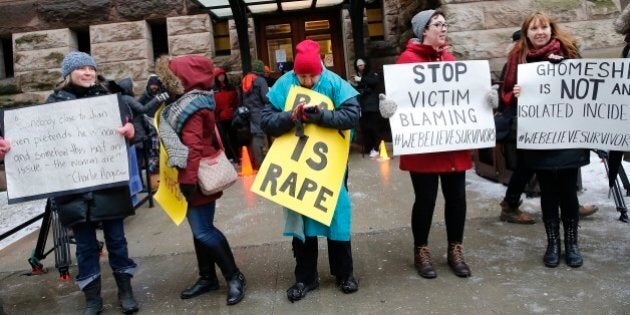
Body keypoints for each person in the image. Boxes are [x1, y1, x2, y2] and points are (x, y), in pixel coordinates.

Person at [379, 9, 496, 279]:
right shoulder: (406, 62)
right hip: (424, 146)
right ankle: (421, 250)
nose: (443, 29)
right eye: (437, 24)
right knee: (426, 200)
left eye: (445, 24)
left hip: (452, 144)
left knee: (457, 198)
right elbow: (399, 102)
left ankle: (456, 249)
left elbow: (466, 98)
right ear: (423, 30)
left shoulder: (451, 59)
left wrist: (487, 101)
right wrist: (389, 108)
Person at [35, 52, 137, 314]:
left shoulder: (107, 98)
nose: (88, 72)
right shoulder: (53, 103)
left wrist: (130, 131)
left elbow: (134, 129)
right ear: (68, 73)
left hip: (107, 184)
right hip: (73, 188)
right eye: (81, 68)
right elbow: (37, 140)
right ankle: (92, 297)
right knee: (84, 246)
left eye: (91, 68)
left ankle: (126, 290)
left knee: (117, 240)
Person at [261, 39, 361, 302]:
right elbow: (266, 120)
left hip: (331, 167)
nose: (306, 81)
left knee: (336, 217)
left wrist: (322, 117)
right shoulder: (284, 83)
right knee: (301, 225)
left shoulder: (334, 82)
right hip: (296, 167)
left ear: (320, 70)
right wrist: (290, 117)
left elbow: (352, 115)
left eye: (311, 75)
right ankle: (305, 278)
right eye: (301, 76)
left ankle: (344, 274)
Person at [155, 54, 246, 304]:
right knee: (199, 231)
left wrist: (187, 181)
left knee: (204, 231)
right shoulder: (184, 102)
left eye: (171, 77)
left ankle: (235, 277)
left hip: (196, 177)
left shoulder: (192, 106)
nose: (168, 81)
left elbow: (192, 147)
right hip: (191, 174)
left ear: (185, 78)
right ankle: (207, 277)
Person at [502, 11, 590, 268]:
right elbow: (505, 92)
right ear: (526, 33)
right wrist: (516, 92)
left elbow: (587, 86)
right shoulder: (517, 58)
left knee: (568, 192)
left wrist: (563, 67)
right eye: (533, 29)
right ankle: (553, 243)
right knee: (548, 192)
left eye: (544, 28)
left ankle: (572, 244)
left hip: (567, 134)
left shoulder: (568, 52)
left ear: (551, 30)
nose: (540, 32)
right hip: (538, 136)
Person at [497, 30, 597, 224]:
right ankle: (510, 205)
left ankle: (570, 203)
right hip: (527, 124)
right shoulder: (516, 63)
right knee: (526, 165)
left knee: (564, 161)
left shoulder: (554, 59)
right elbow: (507, 94)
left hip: (553, 121)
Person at [350, 58, 383, 158]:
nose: (360, 67)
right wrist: (353, 84)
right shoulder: (359, 75)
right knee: (365, 128)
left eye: (361, 65)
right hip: (362, 105)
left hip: (372, 105)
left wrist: (361, 80)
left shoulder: (371, 73)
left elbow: (375, 81)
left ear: (365, 65)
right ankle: (369, 148)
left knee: (374, 127)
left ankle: (376, 148)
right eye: (358, 66)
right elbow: (359, 89)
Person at [242, 60, 270, 169]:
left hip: (249, 112)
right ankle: (262, 163)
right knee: (260, 136)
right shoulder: (260, 81)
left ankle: (256, 162)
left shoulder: (246, 79)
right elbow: (266, 97)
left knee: (255, 135)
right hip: (259, 111)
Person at [213, 67, 239, 161]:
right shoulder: (214, 90)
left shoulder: (231, 87)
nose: (221, 77)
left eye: (223, 75)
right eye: (219, 76)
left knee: (233, 137)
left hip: (231, 116)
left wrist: (234, 110)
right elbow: (213, 104)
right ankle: (228, 157)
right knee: (223, 139)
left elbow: (236, 101)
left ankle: (236, 156)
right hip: (220, 118)